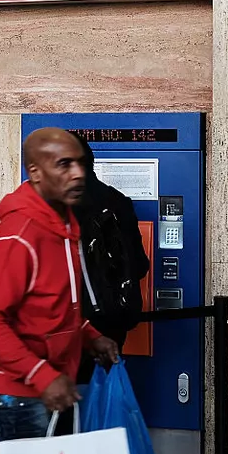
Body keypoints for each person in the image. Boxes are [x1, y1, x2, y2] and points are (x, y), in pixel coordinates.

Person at [0, 127, 120, 442]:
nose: (78, 174)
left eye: (80, 164)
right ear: (35, 173)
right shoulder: (18, 237)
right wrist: (42, 375)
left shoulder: (63, 228)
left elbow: (54, 304)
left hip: (47, 379)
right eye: (64, 165)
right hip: (14, 388)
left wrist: (90, 336)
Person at [72, 135, 152, 377]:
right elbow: (139, 265)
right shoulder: (118, 201)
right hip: (113, 326)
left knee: (71, 407)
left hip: (73, 330)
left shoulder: (60, 207)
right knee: (102, 403)